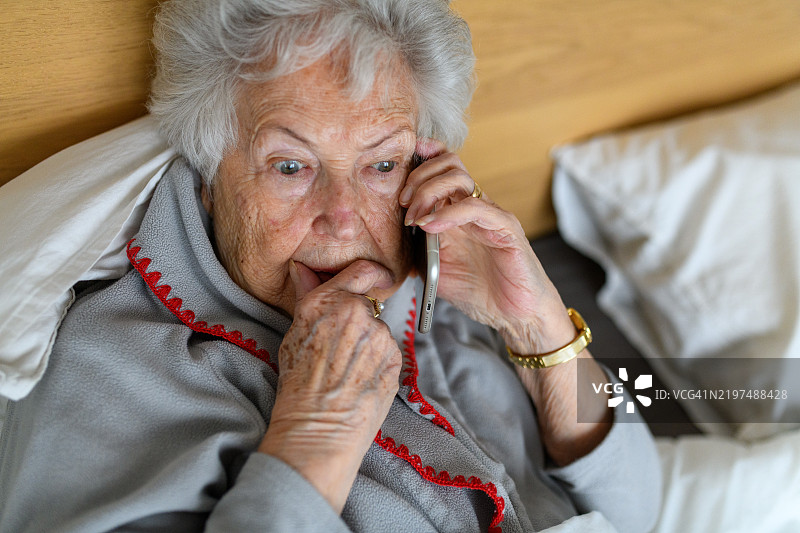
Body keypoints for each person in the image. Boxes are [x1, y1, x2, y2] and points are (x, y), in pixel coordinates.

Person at [0, 1, 661, 531]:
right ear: (207, 176)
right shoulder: (111, 368)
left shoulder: (436, 278)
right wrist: (315, 437)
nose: (343, 220)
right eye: (291, 166)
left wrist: (540, 330)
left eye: (381, 164)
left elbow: (639, 508)